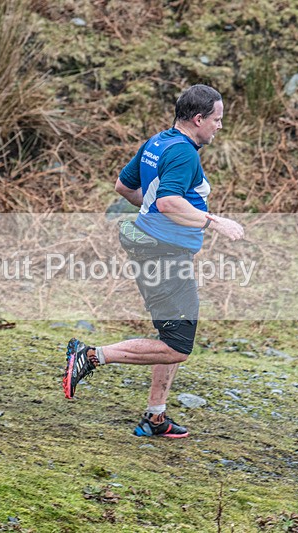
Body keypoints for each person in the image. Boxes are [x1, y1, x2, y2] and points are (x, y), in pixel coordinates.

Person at [62, 84, 244, 438]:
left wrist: (152, 208)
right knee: (177, 347)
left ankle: (155, 417)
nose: (219, 127)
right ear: (198, 119)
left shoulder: (158, 142)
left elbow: (124, 187)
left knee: (172, 335)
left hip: (161, 250)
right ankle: (91, 356)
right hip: (164, 254)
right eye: (217, 120)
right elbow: (167, 203)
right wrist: (215, 222)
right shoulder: (184, 154)